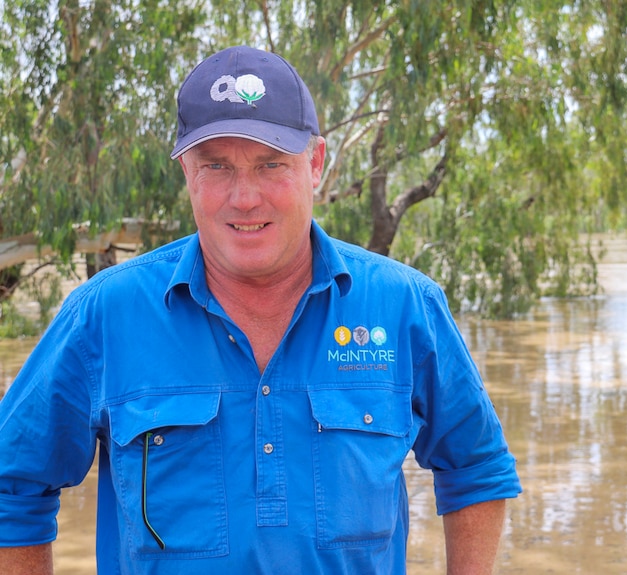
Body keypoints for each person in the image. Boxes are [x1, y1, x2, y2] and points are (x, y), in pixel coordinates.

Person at [0, 46, 521, 574]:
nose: (244, 198)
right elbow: (12, 486)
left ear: (315, 163)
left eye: (271, 164)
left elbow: (477, 468)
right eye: (217, 166)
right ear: (186, 170)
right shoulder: (103, 316)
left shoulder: (405, 305)